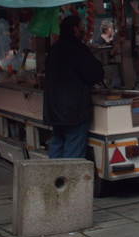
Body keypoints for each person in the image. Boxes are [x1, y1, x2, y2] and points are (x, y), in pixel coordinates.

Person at [44, 15, 104, 158]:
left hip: (54, 109)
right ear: (75, 29)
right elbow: (94, 74)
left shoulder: (54, 49)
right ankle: (70, 179)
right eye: (81, 27)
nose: (83, 30)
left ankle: (54, 178)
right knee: (73, 148)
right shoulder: (78, 49)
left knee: (57, 144)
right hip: (73, 110)